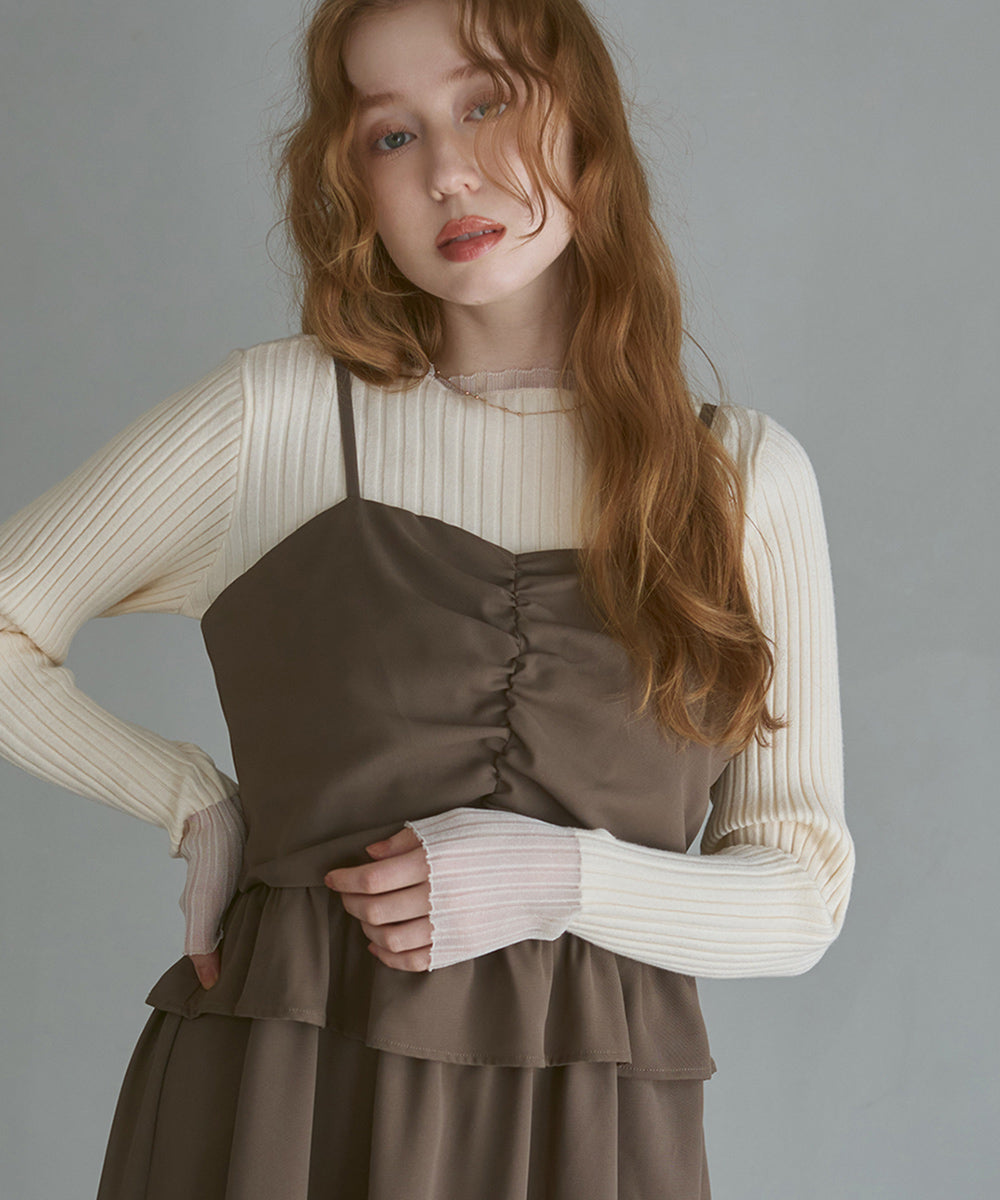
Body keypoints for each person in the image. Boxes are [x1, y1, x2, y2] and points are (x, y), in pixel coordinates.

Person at [0, 0, 855, 1196]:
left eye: (485, 102)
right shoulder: (276, 421)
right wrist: (188, 798)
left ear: (584, 121)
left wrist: (557, 880)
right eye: (390, 135)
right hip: (278, 1114)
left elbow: (802, 893)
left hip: (584, 1139)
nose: (448, 171)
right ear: (351, 180)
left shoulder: (739, 477)